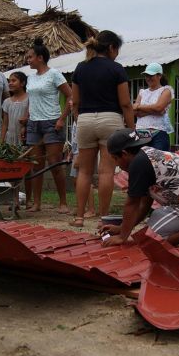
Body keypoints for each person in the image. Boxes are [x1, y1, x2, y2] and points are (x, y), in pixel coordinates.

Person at [99, 129, 179, 248]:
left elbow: (132, 204)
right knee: (155, 218)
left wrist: (122, 237)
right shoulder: (146, 156)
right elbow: (144, 203)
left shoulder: (138, 164)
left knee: (149, 241)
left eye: (115, 159)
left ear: (124, 154)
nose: (116, 164)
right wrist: (122, 228)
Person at [70, 30, 135, 227]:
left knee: (84, 172)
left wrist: (80, 119)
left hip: (85, 120)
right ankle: (103, 219)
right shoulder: (116, 69)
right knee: (106, 172)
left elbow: (75, 102)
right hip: (110, 119)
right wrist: (132, 129)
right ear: (111, 48)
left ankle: (79, 217)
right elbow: (125, 103)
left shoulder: (81, 68)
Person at [24, 38, 73, 213]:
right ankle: (37, 203)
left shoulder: (54, 74)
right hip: (33, 124)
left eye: (30, 57)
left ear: (40, 58)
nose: (28, 60)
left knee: (54, 163)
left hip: (52, 122)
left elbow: (70, 96)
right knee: (36, 165)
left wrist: (62, 119)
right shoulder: (30, 78)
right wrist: (26, 118)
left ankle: (63, 203)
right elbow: (31, 100)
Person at [134, 62, 174, 151]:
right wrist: (155, 110)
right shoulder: (142, 92)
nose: (148, 78)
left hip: (158, 133)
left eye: (151, 75)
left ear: (159, 76)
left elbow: (159, 108)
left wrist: (138, 106)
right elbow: (136, 112)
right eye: (146, 76)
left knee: (157, 159)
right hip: (141, 133)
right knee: (141, 159)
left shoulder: (166, 90)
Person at [68, 119, 96, 218]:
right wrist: (71, 152)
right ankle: (80, 207)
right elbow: (74, 139)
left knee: (84, 180)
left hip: (81, 152)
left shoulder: (83, 119)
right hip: (76, 151)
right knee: (76, 181)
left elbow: (84, 139)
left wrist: (79, 155)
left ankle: (91, 209)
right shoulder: (76, 120)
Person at [0, 71, 29, 146]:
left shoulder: (29, 99)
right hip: (10, 139)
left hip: (25, 136)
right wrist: (1, 142)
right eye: (9, 81)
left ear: (22, 83)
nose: (10, 83)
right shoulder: (7, 102)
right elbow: (5, 124)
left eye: (13, 81)